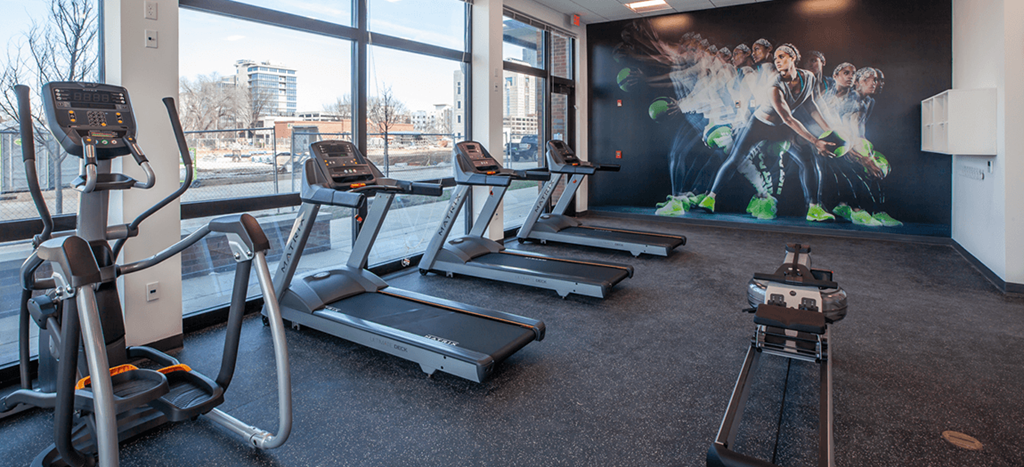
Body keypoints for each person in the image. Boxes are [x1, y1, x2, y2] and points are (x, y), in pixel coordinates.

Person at [696, 43, 837, 222]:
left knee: (808, 160)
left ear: (793, 57)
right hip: (760, 125)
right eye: (776, 58)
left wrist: (829, 131)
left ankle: (814, 209)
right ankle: (710, 198)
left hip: (783, 129)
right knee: (735, 159)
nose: (777, 61)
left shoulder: (808, 77)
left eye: (782, 56)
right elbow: (788, 118)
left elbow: (810, 105)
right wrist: (816, 141)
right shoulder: (774, 85)